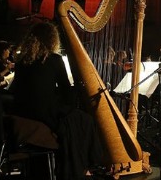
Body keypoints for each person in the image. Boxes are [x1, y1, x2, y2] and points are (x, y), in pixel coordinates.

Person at [10, 22, 102, 180]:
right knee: (84, 120)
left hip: (22, 110)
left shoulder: (21, 61)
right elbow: (67, 92)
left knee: (74, 119)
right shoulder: (54, 59)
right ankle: (87, 166)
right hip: (43, 113)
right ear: (52, 40)